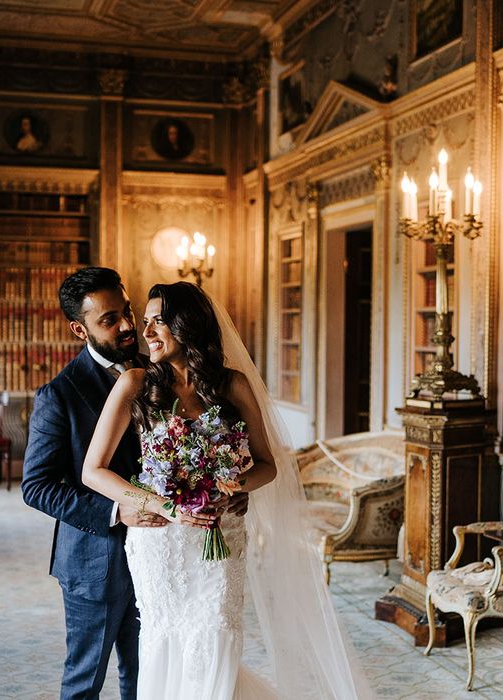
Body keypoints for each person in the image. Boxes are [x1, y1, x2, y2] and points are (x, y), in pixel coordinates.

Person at [82, 282, 373, 700]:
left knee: (216, 632)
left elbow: (267, 465)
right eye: (144, 322)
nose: (146, 332)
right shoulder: (135, 383)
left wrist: (236, 485)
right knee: (164, 640)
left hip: (221, 534)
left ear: (187, 325)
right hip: (161, 541)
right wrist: (164, 504)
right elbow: (94, 471)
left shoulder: (232, 385)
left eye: (157, 322)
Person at [21, 268, 246, 699]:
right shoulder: (59, 394)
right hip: (96, 559)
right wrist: (115, 509)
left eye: (126, 312)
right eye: (109, 319)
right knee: (85, 679)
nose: (127, 326)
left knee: (150, 676)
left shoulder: (160, 371)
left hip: (168, 555)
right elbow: (38, 486)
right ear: (78, 328)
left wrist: (230, 487)